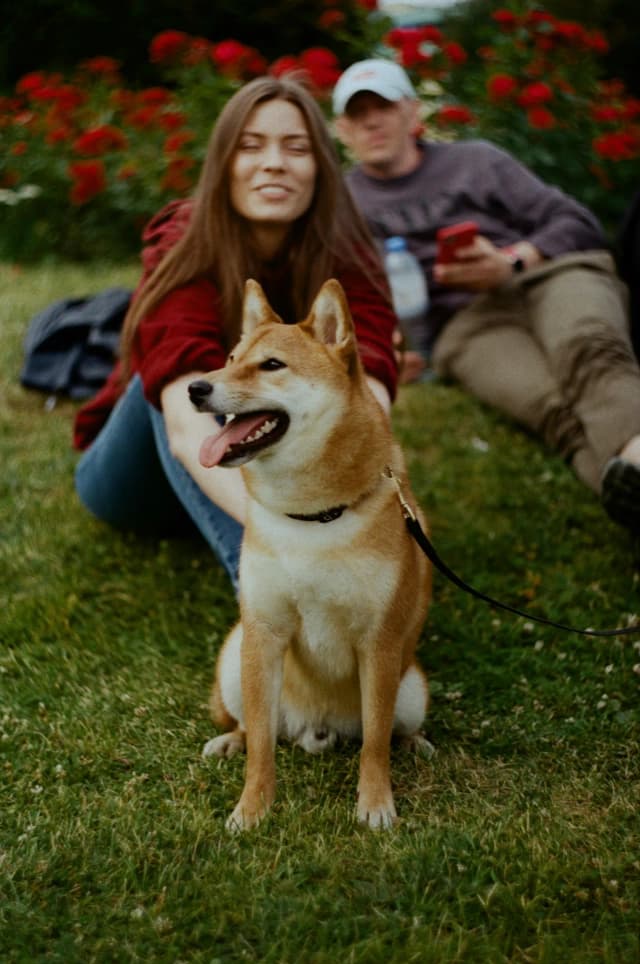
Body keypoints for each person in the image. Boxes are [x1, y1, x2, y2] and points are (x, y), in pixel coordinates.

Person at [73, 75, 398, 591]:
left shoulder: (348, 252)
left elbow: (369, 379)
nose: (274, 162)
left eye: (296, 147)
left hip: (268, 464)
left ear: (320, 168)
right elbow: (184, 422)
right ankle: (262, 590)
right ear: (223, 163)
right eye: (250, 146)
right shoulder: (183, 238)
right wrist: (297, 538)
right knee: (183, 382)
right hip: (139, 482)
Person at [332, 58, 640, 534]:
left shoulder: (476, 161)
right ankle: (623, 486)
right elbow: (348, 298)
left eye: (385, 106)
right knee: (549, 407)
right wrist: (390, 352)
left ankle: (636, 458)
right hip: (469, 324)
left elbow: (579, 223)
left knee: (589, 350)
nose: (372, 120)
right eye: (357, 113)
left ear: (413, 112)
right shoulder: (341, 205)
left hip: (548, 276)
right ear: (342, 129)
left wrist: (511, 260)